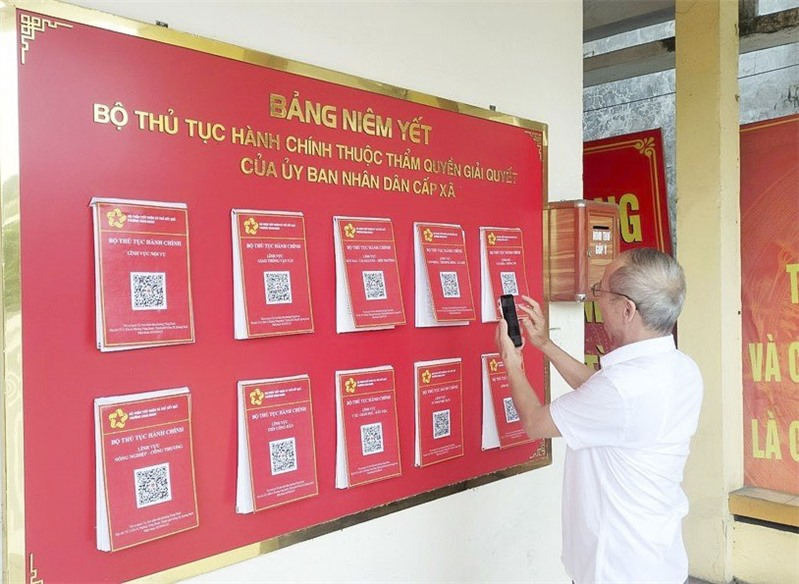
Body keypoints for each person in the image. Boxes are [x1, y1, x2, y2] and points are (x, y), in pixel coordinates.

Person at [495, 248, 703, 584]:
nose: (597, 300)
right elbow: (600, 394)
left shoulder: (622, 389)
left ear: (627, 309)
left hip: (616, 569)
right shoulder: (681, 368)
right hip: (656, 560)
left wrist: (510, 361)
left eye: (601, 291)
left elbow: (534, 423)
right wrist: (545, 344)